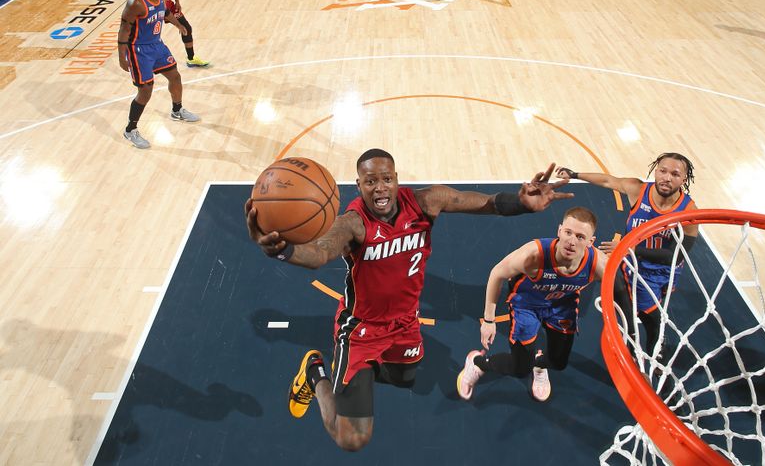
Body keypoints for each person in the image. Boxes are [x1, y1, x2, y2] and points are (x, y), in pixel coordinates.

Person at [244, 150, 573, 451]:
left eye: (386, 178)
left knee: (405, 379)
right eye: (370, 181)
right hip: (361, 330)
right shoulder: (353, 223)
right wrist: (282, 250)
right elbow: (318, 253)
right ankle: (316, 373)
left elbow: (485, 203)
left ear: (397, 179)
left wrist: (522, 203)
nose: (380, 188)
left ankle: (358, 379)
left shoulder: (428, 201)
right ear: (358, 185)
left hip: (403, 324)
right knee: (353, 439)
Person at [457, 207, 608, 402]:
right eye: (568, 233)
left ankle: (539, 365)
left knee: (559, 362)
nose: (571, 241)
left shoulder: (599, 264)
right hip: (527, 306)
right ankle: (478, 362)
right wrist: (489, 320)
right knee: (520, 369)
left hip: (562, 305)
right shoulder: (534, 255)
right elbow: (497, 273)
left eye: (580, 237)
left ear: (590, 242)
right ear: (559, 230)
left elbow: (620, 290)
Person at [555, 153, 698, 358]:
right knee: (648, 313)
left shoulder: (688, 211)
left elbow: (675, 255)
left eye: (675, 174)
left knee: (647, 310)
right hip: (634, 265)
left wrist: (626, 247)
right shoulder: (638, 190)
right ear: (655, 171)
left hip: (664, 270)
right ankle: (644, 343)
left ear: (684, 179)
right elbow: (608, 180)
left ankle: (645, 336)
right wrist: (575, 174)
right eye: (663, 171)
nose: (667, 178)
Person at [117, 0, 200, 149]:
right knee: (145, 91)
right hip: (138, 50)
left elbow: (166, 13)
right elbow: (124, 29)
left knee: (175, 76)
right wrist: (122, 57)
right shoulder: (135, 3)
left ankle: (177, 110)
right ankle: (130, 130)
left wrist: (179, 26)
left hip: (157, 45)